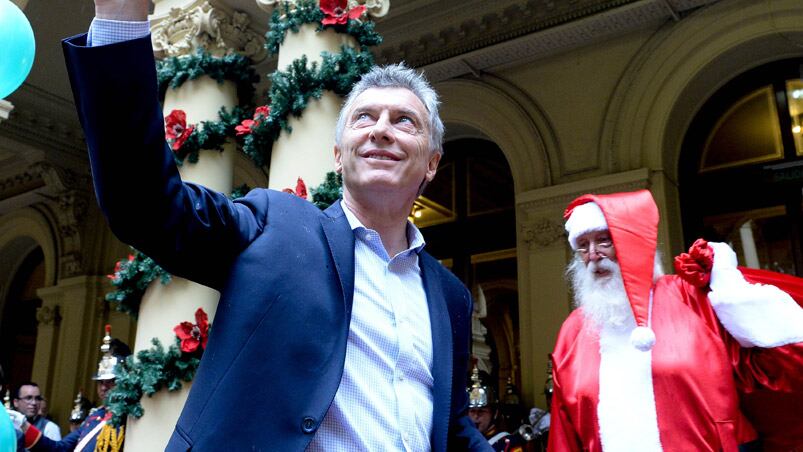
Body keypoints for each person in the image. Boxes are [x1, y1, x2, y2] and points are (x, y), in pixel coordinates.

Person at [58, 1, 489, 450]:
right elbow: (144, 204)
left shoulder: (449, 296)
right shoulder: (273, 226)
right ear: (339, 155)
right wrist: (119, 18)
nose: (381, 130)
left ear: (433, 162)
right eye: (364, 117)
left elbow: (453, 427)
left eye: (404, 122)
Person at [548, 189, 803, 451]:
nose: (593, 254)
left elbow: (777, 369)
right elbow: (564, 433)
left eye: (604, 241)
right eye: (583, 245)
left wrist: (732, 292)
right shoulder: (574, 331)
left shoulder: (691, 298)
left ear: (633, 242)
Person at [12, 326, 129, 452]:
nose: (104, 387)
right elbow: (60, 448)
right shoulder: (96, 416)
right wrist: (24, 426)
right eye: (100, 382)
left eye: (111, 381)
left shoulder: (126, 417)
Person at [467, 367, 527, 452]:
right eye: (472, 411)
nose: (476, 416)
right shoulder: (459, 443)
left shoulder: (509, 445)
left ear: (494, 413)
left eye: (481, 411)